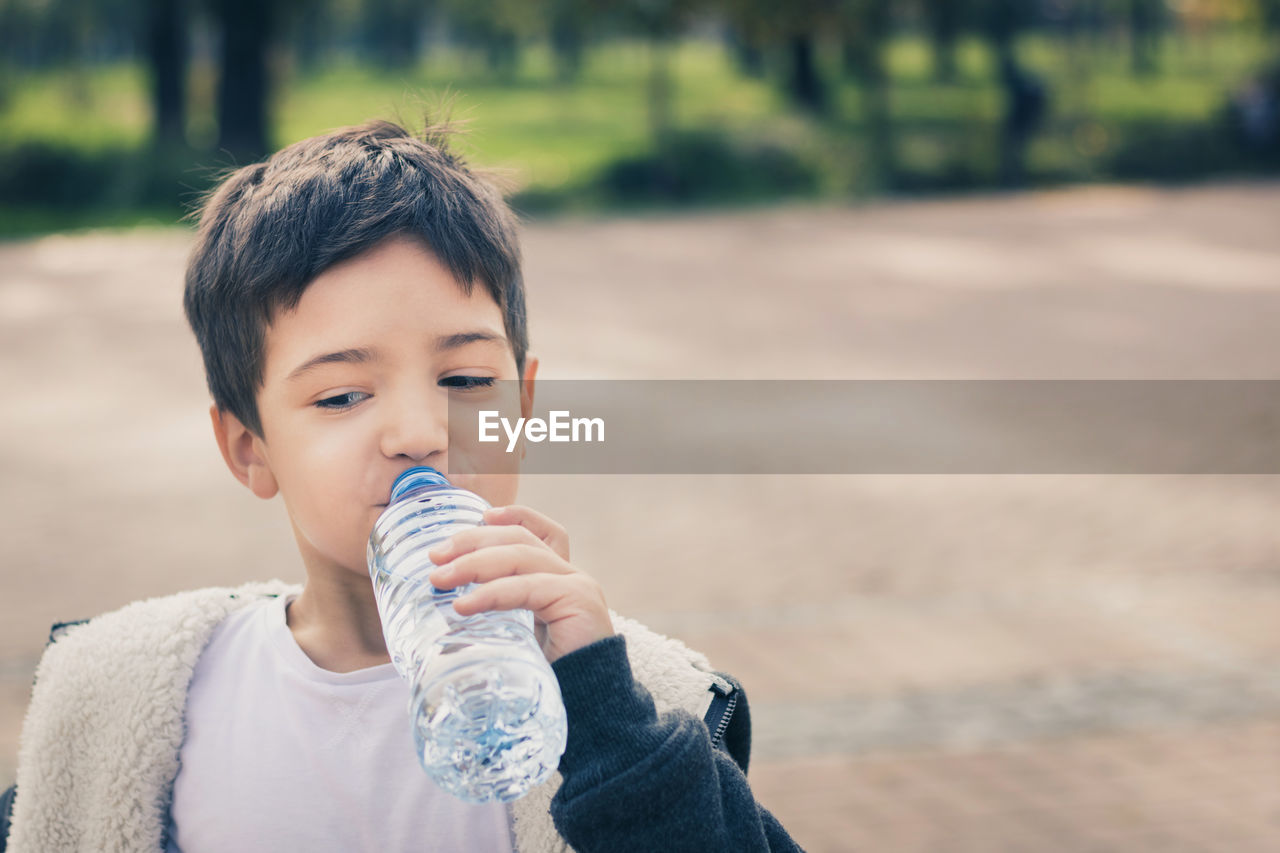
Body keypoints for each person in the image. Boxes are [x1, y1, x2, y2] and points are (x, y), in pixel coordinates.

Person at [1, 119, 802, 853]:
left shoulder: (634, 711)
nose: (419, 430)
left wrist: (609, 716)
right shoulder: (124, 705)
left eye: (463, 377)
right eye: (342, 395)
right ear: (251, 448)